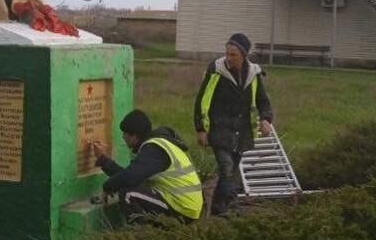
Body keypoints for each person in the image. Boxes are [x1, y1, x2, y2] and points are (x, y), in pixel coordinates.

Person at [194, 33, 273, 215]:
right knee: (227, 168)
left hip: (242, 132)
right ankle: (227, 204)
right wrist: (201, 128)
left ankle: (217, 209)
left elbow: (263, 100)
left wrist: (266, 119)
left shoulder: (253, 74)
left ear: (244, 55)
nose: (228, 58)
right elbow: (201, 101)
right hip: (219, 129)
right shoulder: (216, 70)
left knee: (229, 172)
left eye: (233, 55)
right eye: (227, 54)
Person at [89, 110, 203, 224]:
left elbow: (130, 177)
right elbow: (130, 176)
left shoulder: (154, 149)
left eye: (125, 133)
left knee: (128, 195)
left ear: (134, 135)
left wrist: (107, 187)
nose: (123, 137)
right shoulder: (156, 145)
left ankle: (141, 236)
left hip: (183, 209)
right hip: (181, 203)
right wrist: (103, 160)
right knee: (132, 188)